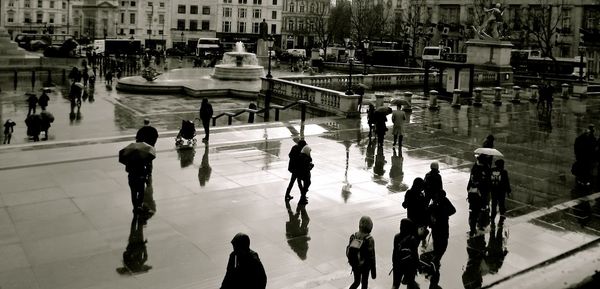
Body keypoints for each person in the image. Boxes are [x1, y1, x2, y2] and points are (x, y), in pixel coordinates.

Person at [427, 189, 456, 268]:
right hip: (442, 226)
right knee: (442, 244)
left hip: (437, 226)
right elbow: (453, 210)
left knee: (438, 243)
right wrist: (444, 214)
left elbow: (428, 213)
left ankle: (436, 259)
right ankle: (436, 259)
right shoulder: (442, 201)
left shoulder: (435, 202)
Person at [347, 216, 376, 289]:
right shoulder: (370, 239)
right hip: (365, 266)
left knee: (356, 282)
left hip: (355, 264)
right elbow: (372, 257)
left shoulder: (354, 236)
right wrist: (373, 272)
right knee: (364, 283)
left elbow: (349, 249)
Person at [391, 218, 419, 289]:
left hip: (398, 265)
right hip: (409, 266)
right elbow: (415, 255)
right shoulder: (412, 239)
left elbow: (394, 253)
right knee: (410, 284)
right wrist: (417, 267)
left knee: (395, 285)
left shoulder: (396, 237)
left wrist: (394, 264)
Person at [467, 155, 491, 236]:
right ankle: (480, 224)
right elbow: (487, 183)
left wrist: (469, 188)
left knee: (473, 212)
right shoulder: (486, 168)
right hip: (481, 195)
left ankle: (472, 228)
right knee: (481, 210)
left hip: (473, 193)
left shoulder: (475, 167)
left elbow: (471, 179)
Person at [402, 178, 429, 244]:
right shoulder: (421, 194)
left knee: (413, 235)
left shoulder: (409, 192)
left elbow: (404, 205)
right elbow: (424, 206)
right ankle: (421, 240)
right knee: (419, 234)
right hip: (420, 218)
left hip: (412, 217)